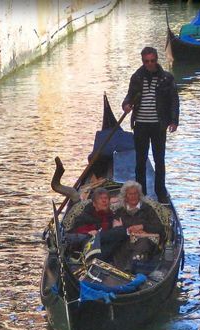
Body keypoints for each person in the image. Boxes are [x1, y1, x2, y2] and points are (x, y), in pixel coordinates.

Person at [122, 47, 179, 205]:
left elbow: (174, 101)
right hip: (140, 124)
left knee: (159, 160)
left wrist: (174, 121)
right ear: (143, 61)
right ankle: (141, 194)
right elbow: (129, 95)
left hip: (159, 125)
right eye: (147, 61)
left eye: (152, 61)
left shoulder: (167, 78)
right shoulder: (137, 77)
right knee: (140, 161)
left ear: (156, 60)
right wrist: (126, 104)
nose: (150, 64)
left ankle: (160, 193)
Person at [68, 187, 127, 263]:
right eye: (100, 199)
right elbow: (75, 231)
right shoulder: (85, 216)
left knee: (119, 235)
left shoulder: (112, 216)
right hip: (88, 244)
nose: (104, 201)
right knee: (120, 232)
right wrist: (88, 232)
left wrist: (116, 228)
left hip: (103, 246)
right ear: (94, 203)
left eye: (106, 198)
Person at [115, 180, 165, 265]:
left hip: (146, 243)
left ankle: (134, 266)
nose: (133, 196)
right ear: (125, 196)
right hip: (127, 242)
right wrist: (128, 230)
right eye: (130, 194)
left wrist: (143, 226)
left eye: (135, 194)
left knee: (143, 243)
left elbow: (160, 229)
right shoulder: (120, 212)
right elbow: (115, 230)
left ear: (139, 195)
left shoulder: (147, 209)